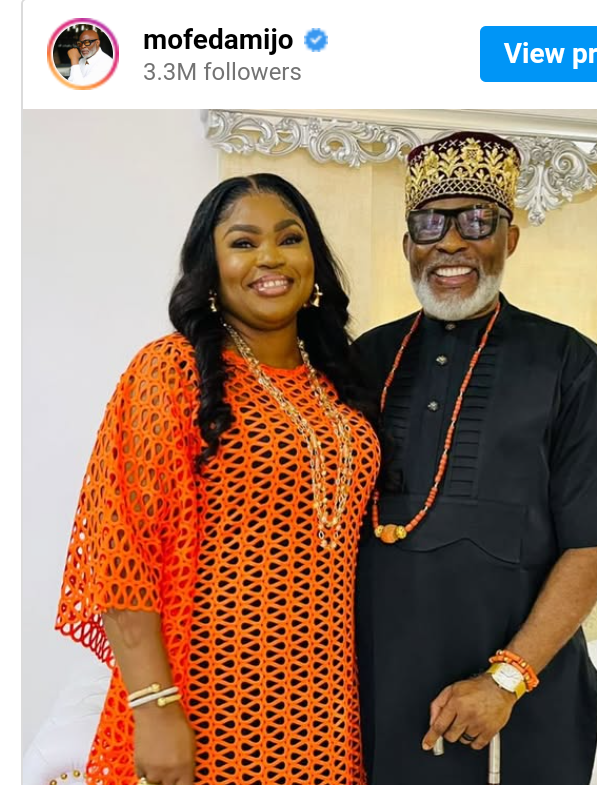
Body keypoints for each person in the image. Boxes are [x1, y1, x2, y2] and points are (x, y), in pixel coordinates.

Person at [56, 174, 380, 785]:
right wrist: (154, 707)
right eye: (243, 242)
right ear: (211, 267)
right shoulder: (171, 369)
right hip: (207, 694)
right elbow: (123, 553)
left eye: (289, 238)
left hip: (324, 699)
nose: (270, 258)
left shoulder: (339, 381)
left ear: (313, 258)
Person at [354, 131, 597, 785]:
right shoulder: (365, 360)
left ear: (510, 238)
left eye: (476, 220)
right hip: (380, 694)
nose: (451, 242)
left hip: (517, 704)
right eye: (430, 223)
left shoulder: (572, 362)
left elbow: (594, 546)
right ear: (407, 245)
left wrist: (506, 680)